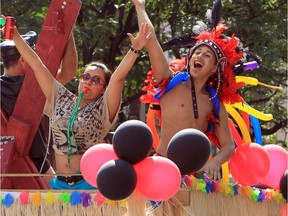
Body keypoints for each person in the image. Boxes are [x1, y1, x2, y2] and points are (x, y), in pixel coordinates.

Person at [11, 21, 151, 189]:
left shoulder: (102, 109)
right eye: (86, 76)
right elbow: (37, 65)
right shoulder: (61, 97)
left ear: (104, 89)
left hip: (89, 184)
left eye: (96, 80)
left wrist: (134, 50)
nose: (88, 82)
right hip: (59, 184)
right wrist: (16, 37)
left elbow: (117, 78)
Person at [132, 0, 247, 181]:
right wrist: (140, 7)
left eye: (207, 55)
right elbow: (150, 39)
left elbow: (228, 146)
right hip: (162, 168)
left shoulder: (213, 101)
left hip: (195, 176)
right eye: (197, 52)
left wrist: (215, 161)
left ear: (213, 68)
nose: (200, 56)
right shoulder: (169, 81)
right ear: (190, 57)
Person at [0, 30, 78, 188]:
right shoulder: (37, 85)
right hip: (37, 165)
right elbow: (69, 71)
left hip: (3, 163)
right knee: (57, 206)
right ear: (23, 58)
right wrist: (68, 33)